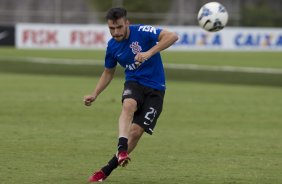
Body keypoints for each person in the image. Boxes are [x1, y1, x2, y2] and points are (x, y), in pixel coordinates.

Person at [84, 7, 178, 182]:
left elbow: (172, 36)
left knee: (135, 132)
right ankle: (122, 149)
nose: (116, 32)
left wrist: (148, 53)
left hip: (156, 89)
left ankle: (105, 171)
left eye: (119, 27)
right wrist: (95, 93)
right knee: (129, 104)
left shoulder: (142, 31)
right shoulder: (112, 47)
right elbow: (108, 72)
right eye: (111, 28)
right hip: (134, 82)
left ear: (127, 23)